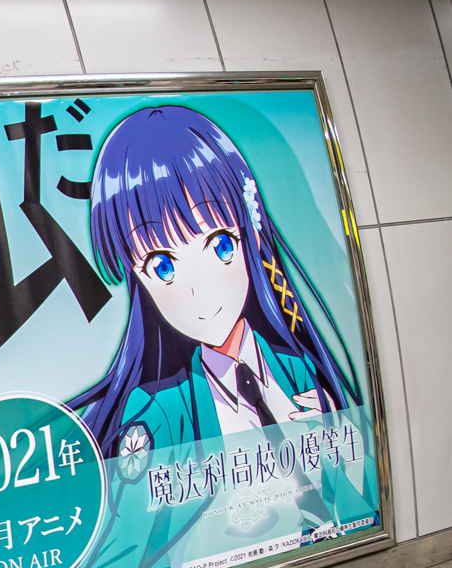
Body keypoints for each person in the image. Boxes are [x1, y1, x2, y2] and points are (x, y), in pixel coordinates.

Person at [71, 105, 357, 462]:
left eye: (221, 245)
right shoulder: (156, 414)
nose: (199, 291)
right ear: (138, 276)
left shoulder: (298, 369)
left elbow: (354, 487)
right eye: (162, 267)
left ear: (251, 234)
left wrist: (337, 442)